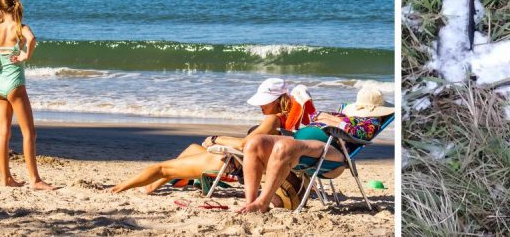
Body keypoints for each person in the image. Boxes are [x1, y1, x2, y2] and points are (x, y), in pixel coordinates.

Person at [110, 78, 315, 194]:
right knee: (191, 149)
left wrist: (217, 139)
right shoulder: (287, 121)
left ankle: (117, 189)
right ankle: (151, 186)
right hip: (238, 161)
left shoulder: (273, 120)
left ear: (278, 100)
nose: (261, 105)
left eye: (265, 101)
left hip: (229, 163)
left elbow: (246, 145)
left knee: (161, 167)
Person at [238, 87, 393, 213]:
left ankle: (262, 202)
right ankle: (250, 203)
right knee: (254, 142)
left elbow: (356, 134)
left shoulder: (371, 122)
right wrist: (334, 119)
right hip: (301, 142)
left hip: (332, 152)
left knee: (284, 146)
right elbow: (315, 117)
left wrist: (333, 120)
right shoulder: (345, 114)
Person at [0, 0, 54, 190]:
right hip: (15, 85)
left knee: (2, 133)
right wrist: (24, 56)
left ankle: (6, 179)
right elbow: (32, 39)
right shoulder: (20, 28)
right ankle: (35, 180)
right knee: (29, 133)